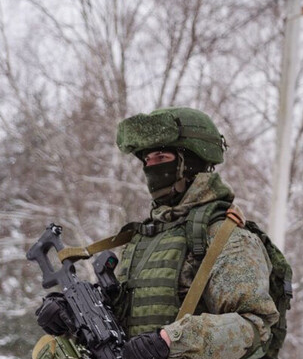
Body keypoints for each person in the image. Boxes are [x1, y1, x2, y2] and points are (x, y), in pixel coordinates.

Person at [32, 107, 283, 359]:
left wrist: (170, 341)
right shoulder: (145, 237)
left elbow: (254, 327)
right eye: (147, 160)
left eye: (161, 157)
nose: (151, 167)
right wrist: (73, 315)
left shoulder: (225, 236)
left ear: (192, 162)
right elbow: (126, 323)